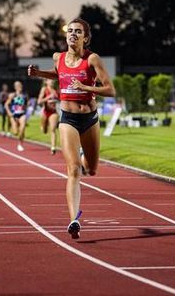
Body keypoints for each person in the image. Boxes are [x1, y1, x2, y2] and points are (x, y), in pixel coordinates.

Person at [28, 18, 115, 239]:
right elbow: (59, 74)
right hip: (68, 119)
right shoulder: (58, 57)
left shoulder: (92, 59)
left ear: (85, 38)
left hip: (90, 119)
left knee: (91, 169)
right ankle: (74, 219)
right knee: (73, 170)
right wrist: (39, 74)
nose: (73, 34)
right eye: (70, 31)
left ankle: (85, 155)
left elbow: (110, 89)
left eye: (78, 32)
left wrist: (86, 86)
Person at [4, 81, 28, 152]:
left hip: (22, 114)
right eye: (17, 86)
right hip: (14, 115)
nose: (19, 87)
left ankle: (20, 144)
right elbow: (6, 104)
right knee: (15, 132)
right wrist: (9, 113)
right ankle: (15, 126)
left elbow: (26, 105)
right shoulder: (12, 95)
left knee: (23, 127)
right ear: (15, 87)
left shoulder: (24, 95)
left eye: (20, 85)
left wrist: (25, 110)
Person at [37, 79, 59, 155]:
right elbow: (39, 101)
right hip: (45, 112)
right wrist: (48, 98)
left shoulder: (56, 90)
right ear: (46, 82)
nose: (52, 81)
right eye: (50, 80)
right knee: (45, 131)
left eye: (52, 80)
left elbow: (60, 99)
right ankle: (43, 126)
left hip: (53, 112)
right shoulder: (44, 89)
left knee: (52, 129)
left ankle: (53, 147)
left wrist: (55, 100)